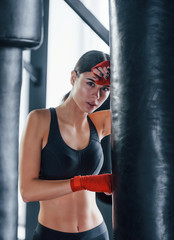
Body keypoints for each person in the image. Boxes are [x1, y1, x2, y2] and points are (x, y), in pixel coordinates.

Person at [19, 50, 112, 240]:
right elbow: (27, 191)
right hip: (52, 234)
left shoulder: (100, 123)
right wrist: (82, 183)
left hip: (96, 233)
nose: (96, 95)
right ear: (73, 77)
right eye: (90, 83)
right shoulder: (40, 120)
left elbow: (145, 112)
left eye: (105, 89)